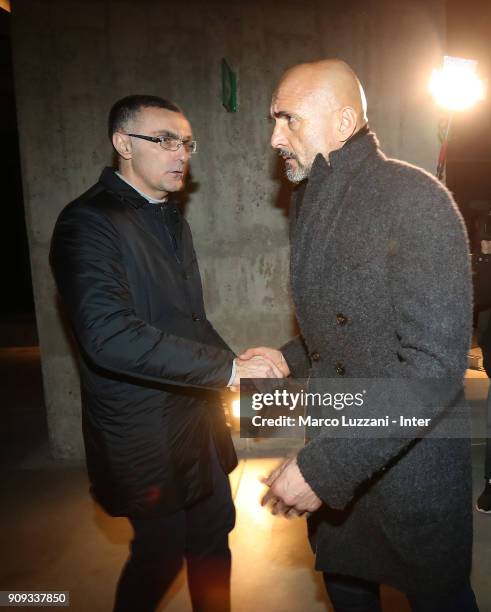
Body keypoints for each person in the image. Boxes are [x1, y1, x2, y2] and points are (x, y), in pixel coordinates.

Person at [242, 60, 479, 610]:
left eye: (289, 119)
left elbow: (432, 370)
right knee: (346, 588)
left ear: (344, 122)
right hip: (340, 446)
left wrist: (324, 470)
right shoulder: (309, 199)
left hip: (406, 466)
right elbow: (346, 332)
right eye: (274, 120)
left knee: (440, 599)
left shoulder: (415, 200)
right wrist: (286, 359)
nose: (275, 137)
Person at [49, 95, 282, 612]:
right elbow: (108, 335)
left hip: (196, 420)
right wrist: (227, 369)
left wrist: (240, 362)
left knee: (213, 536)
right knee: (159, 555)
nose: (181, 153)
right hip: (143, 431)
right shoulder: (87, 223)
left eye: (187, 142)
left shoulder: (170, 217)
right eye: (165, 140)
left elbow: (188, 322)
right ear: (122, 144)